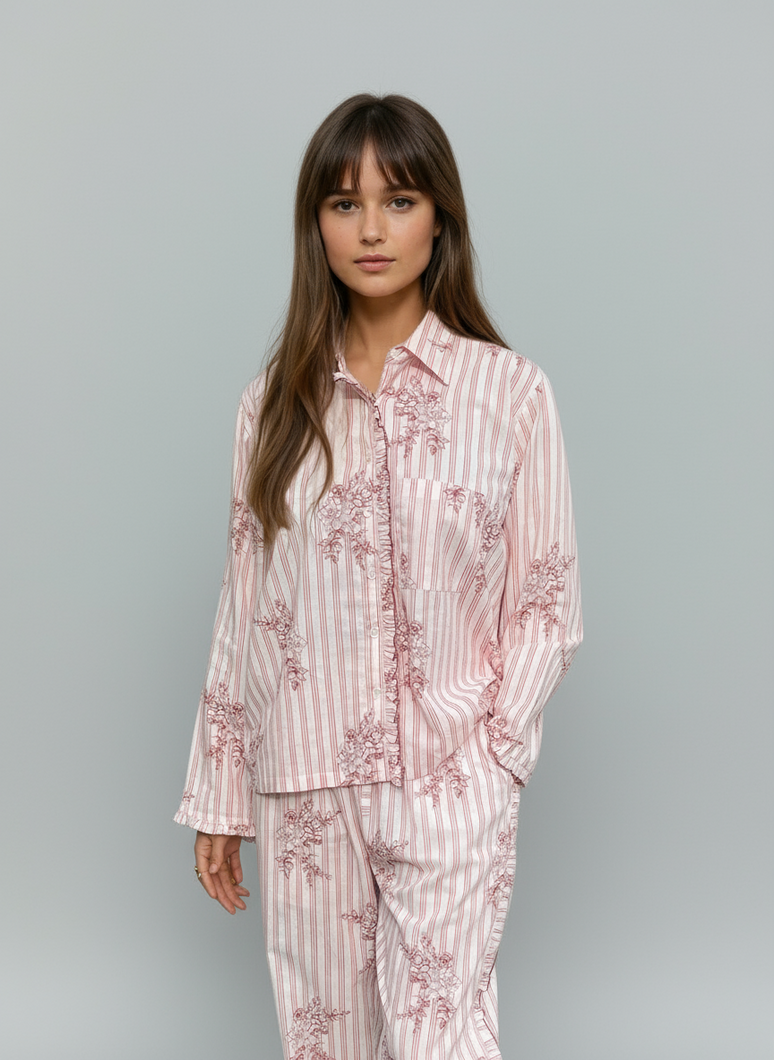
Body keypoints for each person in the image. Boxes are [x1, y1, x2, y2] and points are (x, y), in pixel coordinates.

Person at [175, 92, 582, 1060]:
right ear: (314, 224)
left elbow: (547, 600)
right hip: (305, 786)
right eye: (344, 203)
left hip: (448, 778)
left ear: (440, 218)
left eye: (399, 201)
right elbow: (245, 608)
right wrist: (219, 796)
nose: (370, 229)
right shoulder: (273, 407)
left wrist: (494, 754)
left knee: (440, 1038)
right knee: (328, 1046)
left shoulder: (509, 393)